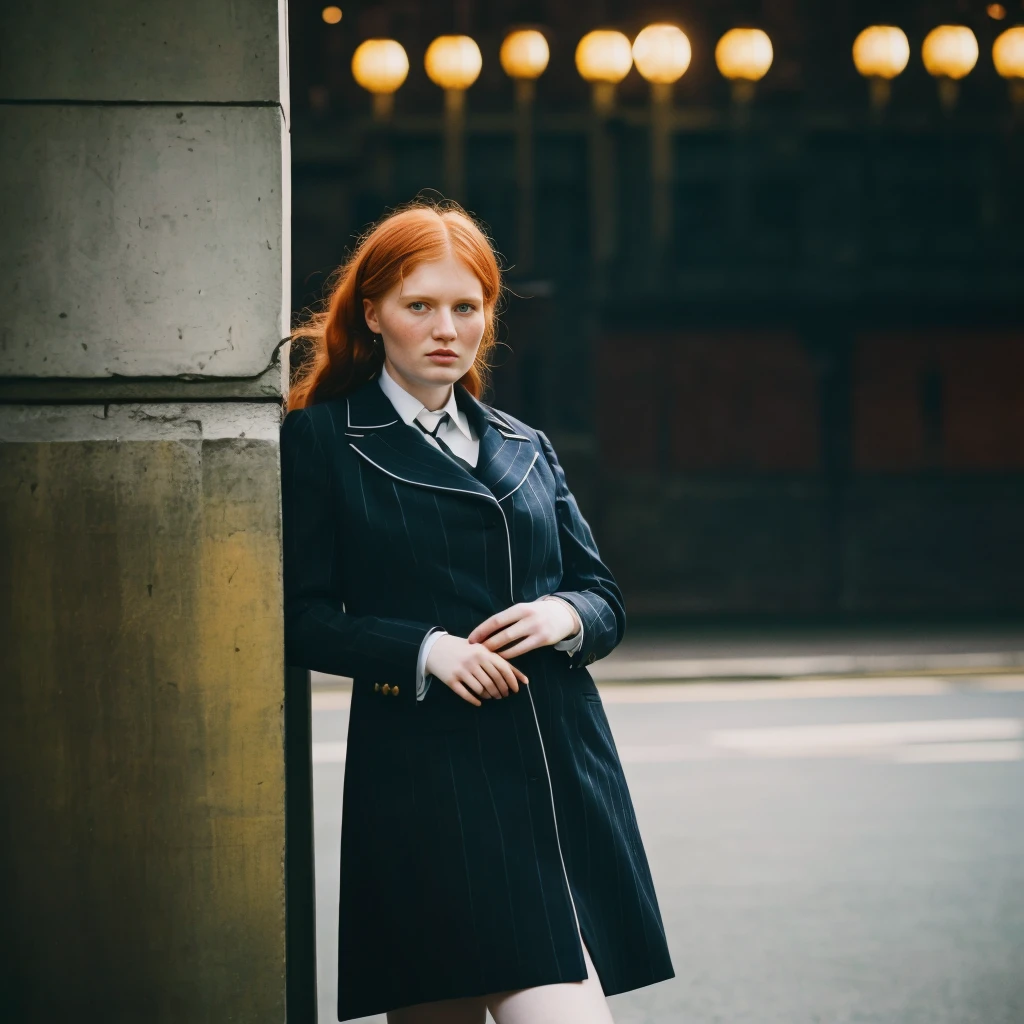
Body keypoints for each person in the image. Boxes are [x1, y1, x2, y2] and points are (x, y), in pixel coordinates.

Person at [281, 200, 674, 1023]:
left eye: (467, 307)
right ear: (373, 312)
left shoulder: (526, 442)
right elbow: (301, 615)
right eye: (419, 305)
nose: (445, 328)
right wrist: (427, 651)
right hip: (426, 779)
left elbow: (604, 597)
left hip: (559, 767)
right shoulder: (322, 441)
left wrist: (563, 615)